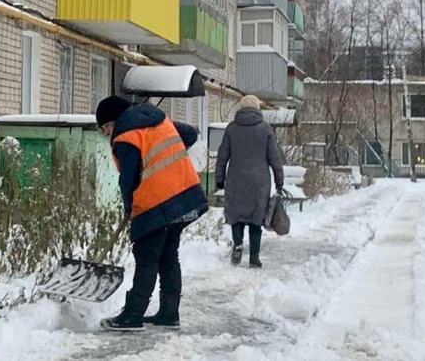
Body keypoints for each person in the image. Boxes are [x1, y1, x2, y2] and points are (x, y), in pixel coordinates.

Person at [95, 96, 209, 332]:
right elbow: (189, 134)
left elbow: (128, 180)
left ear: (114, 121)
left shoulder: (125, 136)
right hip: (185, 195)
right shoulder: (159, 120)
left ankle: (133, 315)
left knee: (146, 256)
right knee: (168, 256)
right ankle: (169, 313)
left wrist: (130, 208)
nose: (106, 133)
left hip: (157, 200)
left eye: (105, 127)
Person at [214, 95, 284, 268]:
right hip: (259, 182)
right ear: (258, 109)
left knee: (236, 217)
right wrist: (279, 180)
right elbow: (274, 157)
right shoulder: (266, 129)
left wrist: (219, 179)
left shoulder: (231, 129)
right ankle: (254, 257)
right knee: (256, 220)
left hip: (236, 180)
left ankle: (238, 246)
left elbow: (223, 156)